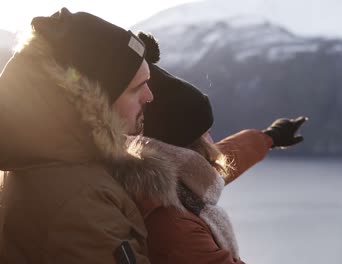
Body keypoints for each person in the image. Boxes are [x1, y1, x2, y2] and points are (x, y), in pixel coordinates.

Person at [0, 8, 213, 263]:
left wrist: (263, 138)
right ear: (93, 102)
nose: (150, 97)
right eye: (136, 89)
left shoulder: (59, 167)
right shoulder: (82, 206)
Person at [133, 32, 308, 264]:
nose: (211, 137)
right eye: (204, 131)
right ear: (187, 144)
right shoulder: (176, 226)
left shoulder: (158, 179)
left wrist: (270, 137)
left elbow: (218, 164)